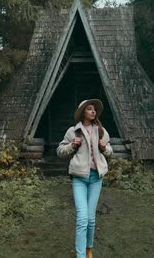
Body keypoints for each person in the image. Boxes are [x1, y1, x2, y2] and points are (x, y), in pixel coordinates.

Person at [56, 99, 114, 258]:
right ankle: (81, 256)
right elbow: (60, 151)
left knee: (90, 219)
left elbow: (110, 151)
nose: (93, 111)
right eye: (89, 109)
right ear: (83, 112)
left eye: (94, 109)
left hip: (96, 179)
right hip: (79, 179)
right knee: (82, 218)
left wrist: (104, 147)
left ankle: (89, 248)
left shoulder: (101, 131)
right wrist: (72, 145)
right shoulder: (73, 131)